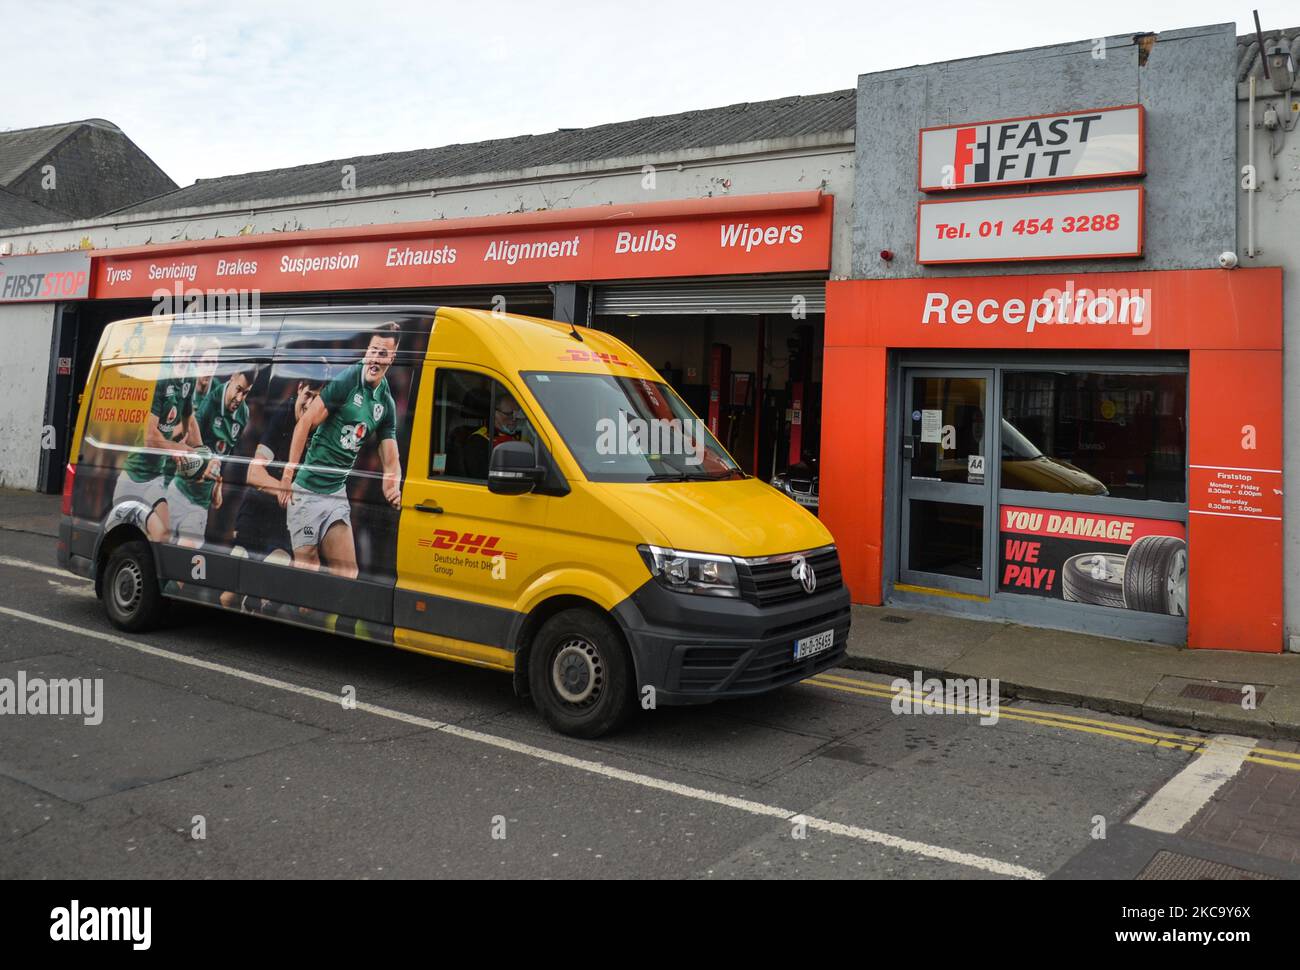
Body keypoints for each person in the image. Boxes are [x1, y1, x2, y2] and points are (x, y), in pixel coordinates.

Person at [281, 323, 403, 579]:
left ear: (393, 357)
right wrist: (288, 473)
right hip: (307, 492)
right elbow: (305, 422)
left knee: (348, 572)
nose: (375, 359)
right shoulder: (348, 379)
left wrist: (391, 485)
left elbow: (391, 458)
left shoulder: (386, 403)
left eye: (382, 354)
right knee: (308, 570)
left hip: (336, 492)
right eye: (372, 351)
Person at [220, 372, 325, 612]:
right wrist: (284, 488)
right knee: (229, 597)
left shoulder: (322, 428)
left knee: (270, 591)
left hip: (283, 519)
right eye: (307, 395)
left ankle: (256, 612)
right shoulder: (283, 417)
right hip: (255, 511)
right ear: (299, 388)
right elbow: (253, 474)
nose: (309, 404)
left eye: (316, 399)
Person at [111, 333, 210, 541]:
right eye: (182, 351)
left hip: (154, 477)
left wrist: (202, 453)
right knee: (136, 535)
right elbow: (150, 438)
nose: (185, 357)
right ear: (174, 349)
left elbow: (188, 419)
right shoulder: (160, 376)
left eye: (189, 353)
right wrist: (175, 449)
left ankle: (155, 570)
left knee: (163, 534)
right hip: (134, 475)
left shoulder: (188, 376)